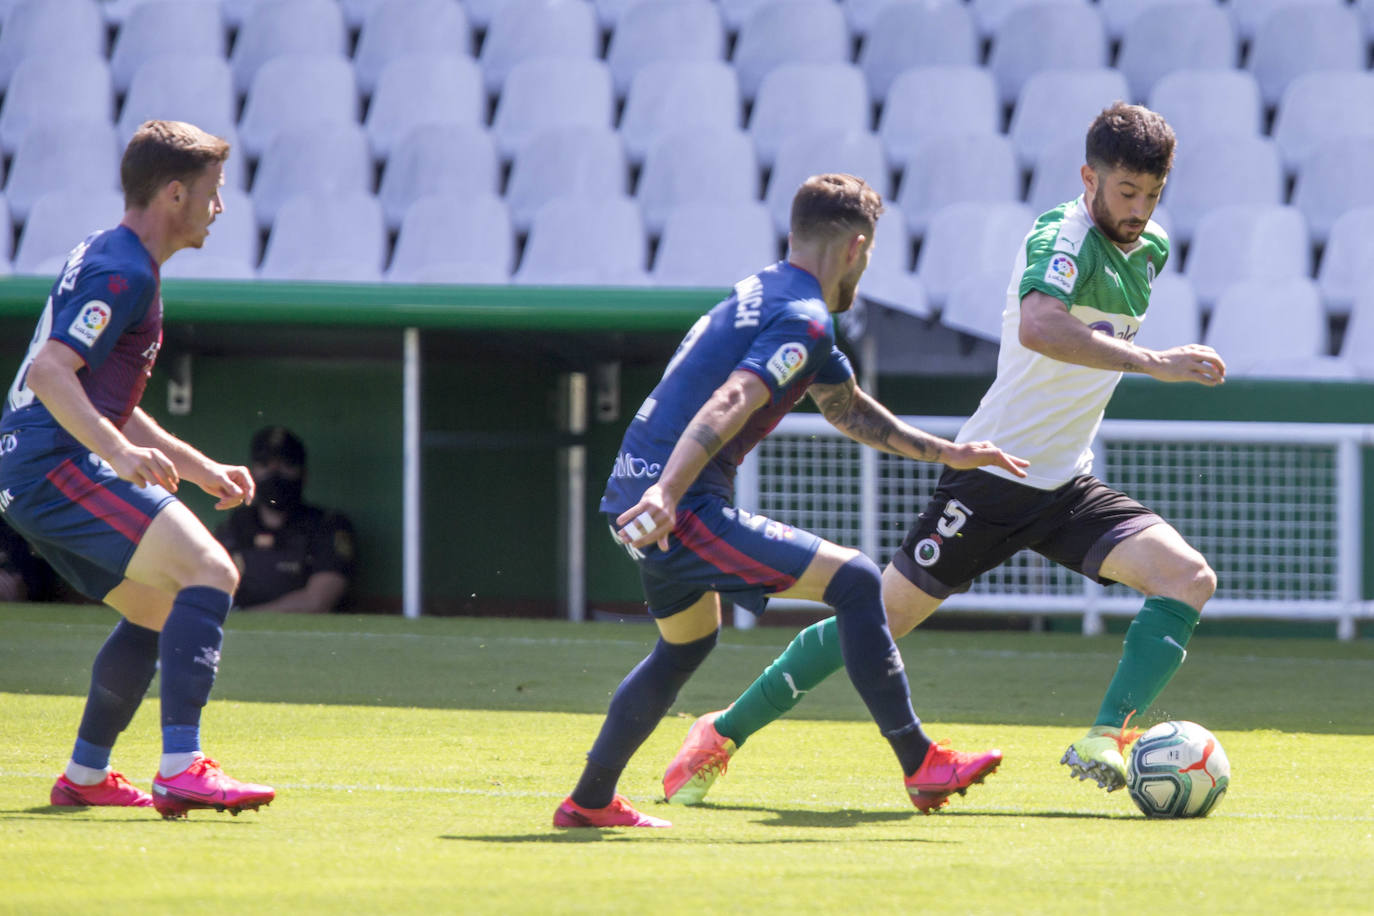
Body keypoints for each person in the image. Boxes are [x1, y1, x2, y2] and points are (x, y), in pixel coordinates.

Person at [662, 103, 1228, 807]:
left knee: (1187, 578)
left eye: (1153, 195)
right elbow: (1041, 324)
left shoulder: (1151, 250)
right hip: (990, 479)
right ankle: (721, 731)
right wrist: (1154, 362)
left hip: (1065, 485)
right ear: (1090, 177)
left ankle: (1105, 737)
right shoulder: (1062, 236)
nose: (1140, 210)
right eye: (1126, 192)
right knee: (875, 622)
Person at [553, 173, 1029, 828]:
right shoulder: (803, 319)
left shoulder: (766, 294)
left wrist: (946, 452)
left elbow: (847, 408)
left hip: (640, 494)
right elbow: (733, 399)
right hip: (679, 502)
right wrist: (669, 492)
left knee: (686, 645)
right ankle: (921, 763)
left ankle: (590, 800)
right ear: (858, 248)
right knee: (859, 580)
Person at [0, 120, 274, 819]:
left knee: (156, 608)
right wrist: (119, 456)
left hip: (34, 468)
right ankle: (183, 767)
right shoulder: (121, 269)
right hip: (51, 463)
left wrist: (199, 465)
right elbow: (51, 372)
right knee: (211, 573)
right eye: (212, 193)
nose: (220, 208)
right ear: (175, 193)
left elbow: (101, 396)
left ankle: (86, 774)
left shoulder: (118, 259)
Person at [214, 426, 357, 613]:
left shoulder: (328, 526)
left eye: (286, 464)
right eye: (265, 464)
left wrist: (248, 618)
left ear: (303, 474)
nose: (274, 473)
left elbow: (318, 601)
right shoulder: (235, 526)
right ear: (251, 473)